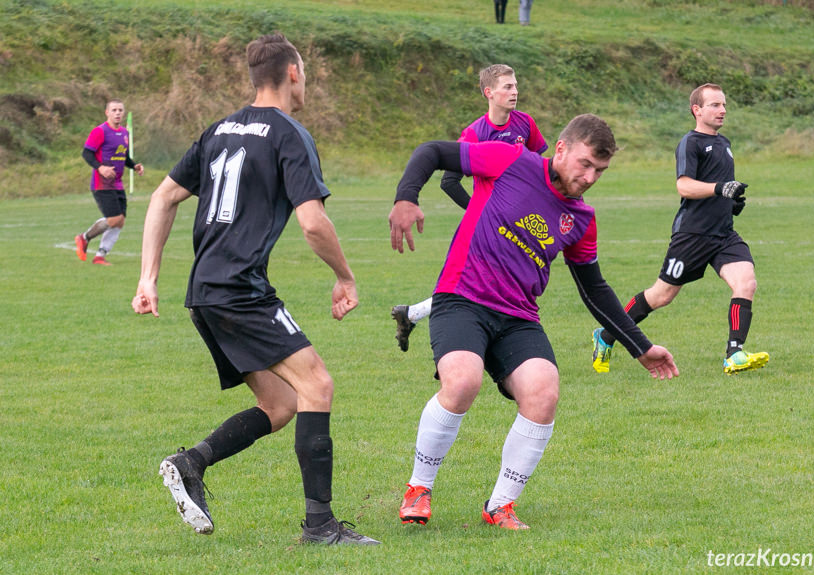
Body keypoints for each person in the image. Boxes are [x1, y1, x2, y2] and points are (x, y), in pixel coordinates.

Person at [131, 33, 378, 546]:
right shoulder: (289, 133)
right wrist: (345, 277)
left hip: (205, 292)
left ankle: (190, 462)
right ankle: (320, 527)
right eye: (305, 73)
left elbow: (162, 197)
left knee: (283, 403)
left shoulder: (219, 130)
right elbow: (313, 222)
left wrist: (148, 278)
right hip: (240, 289)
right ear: (293, 73)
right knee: (319, 386)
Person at [388, 114, 679, 530]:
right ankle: (419, 488)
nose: (591, 176)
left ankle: (501, 505)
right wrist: (405, 196)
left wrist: (640, 346)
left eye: (600, 170)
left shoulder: (581, 219)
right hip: (462, 299)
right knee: (462, 382)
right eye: (585, 163)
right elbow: (432, 152)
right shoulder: (510, 161)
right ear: (561, 149)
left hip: (519, 317)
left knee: (543, 392)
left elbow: (594, 291)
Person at [590, 83, 769, 375]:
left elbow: (715, 189)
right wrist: (720, 188)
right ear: (697, 110)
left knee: (746, 282)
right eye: (714, 105)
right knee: (661, 296)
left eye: (724, 105)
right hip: (693, 235)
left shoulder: (724, 143)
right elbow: (683, 185)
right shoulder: (691, 143)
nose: (722, 110)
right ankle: (607, 334)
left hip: (724, 234)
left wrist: (730, 203)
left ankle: (734, 354)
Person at [391, 63, 547, 352]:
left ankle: (411, 314)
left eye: (515, 86)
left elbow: (540, 169)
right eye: (507, 87)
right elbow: (449, 182)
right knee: (480, 285)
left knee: (489, 285)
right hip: (488, 229)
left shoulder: (525, 124)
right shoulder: (475, 133)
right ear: (489, 93)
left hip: (520, 221)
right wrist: (481, 212)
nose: (515, 92)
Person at [75, 99, 143, 265]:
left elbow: (123, 157)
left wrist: (134, 166)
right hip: (102, 184)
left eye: (120, 110)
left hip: (117, 183)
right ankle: (84, 238)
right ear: (107, 112)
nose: (117, 113)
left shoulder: (125, 133)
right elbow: (87, 153)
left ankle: (100, 255)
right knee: (113, 219)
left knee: (120, 221)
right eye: (114, 110)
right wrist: (100, 168)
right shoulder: (100, 131)